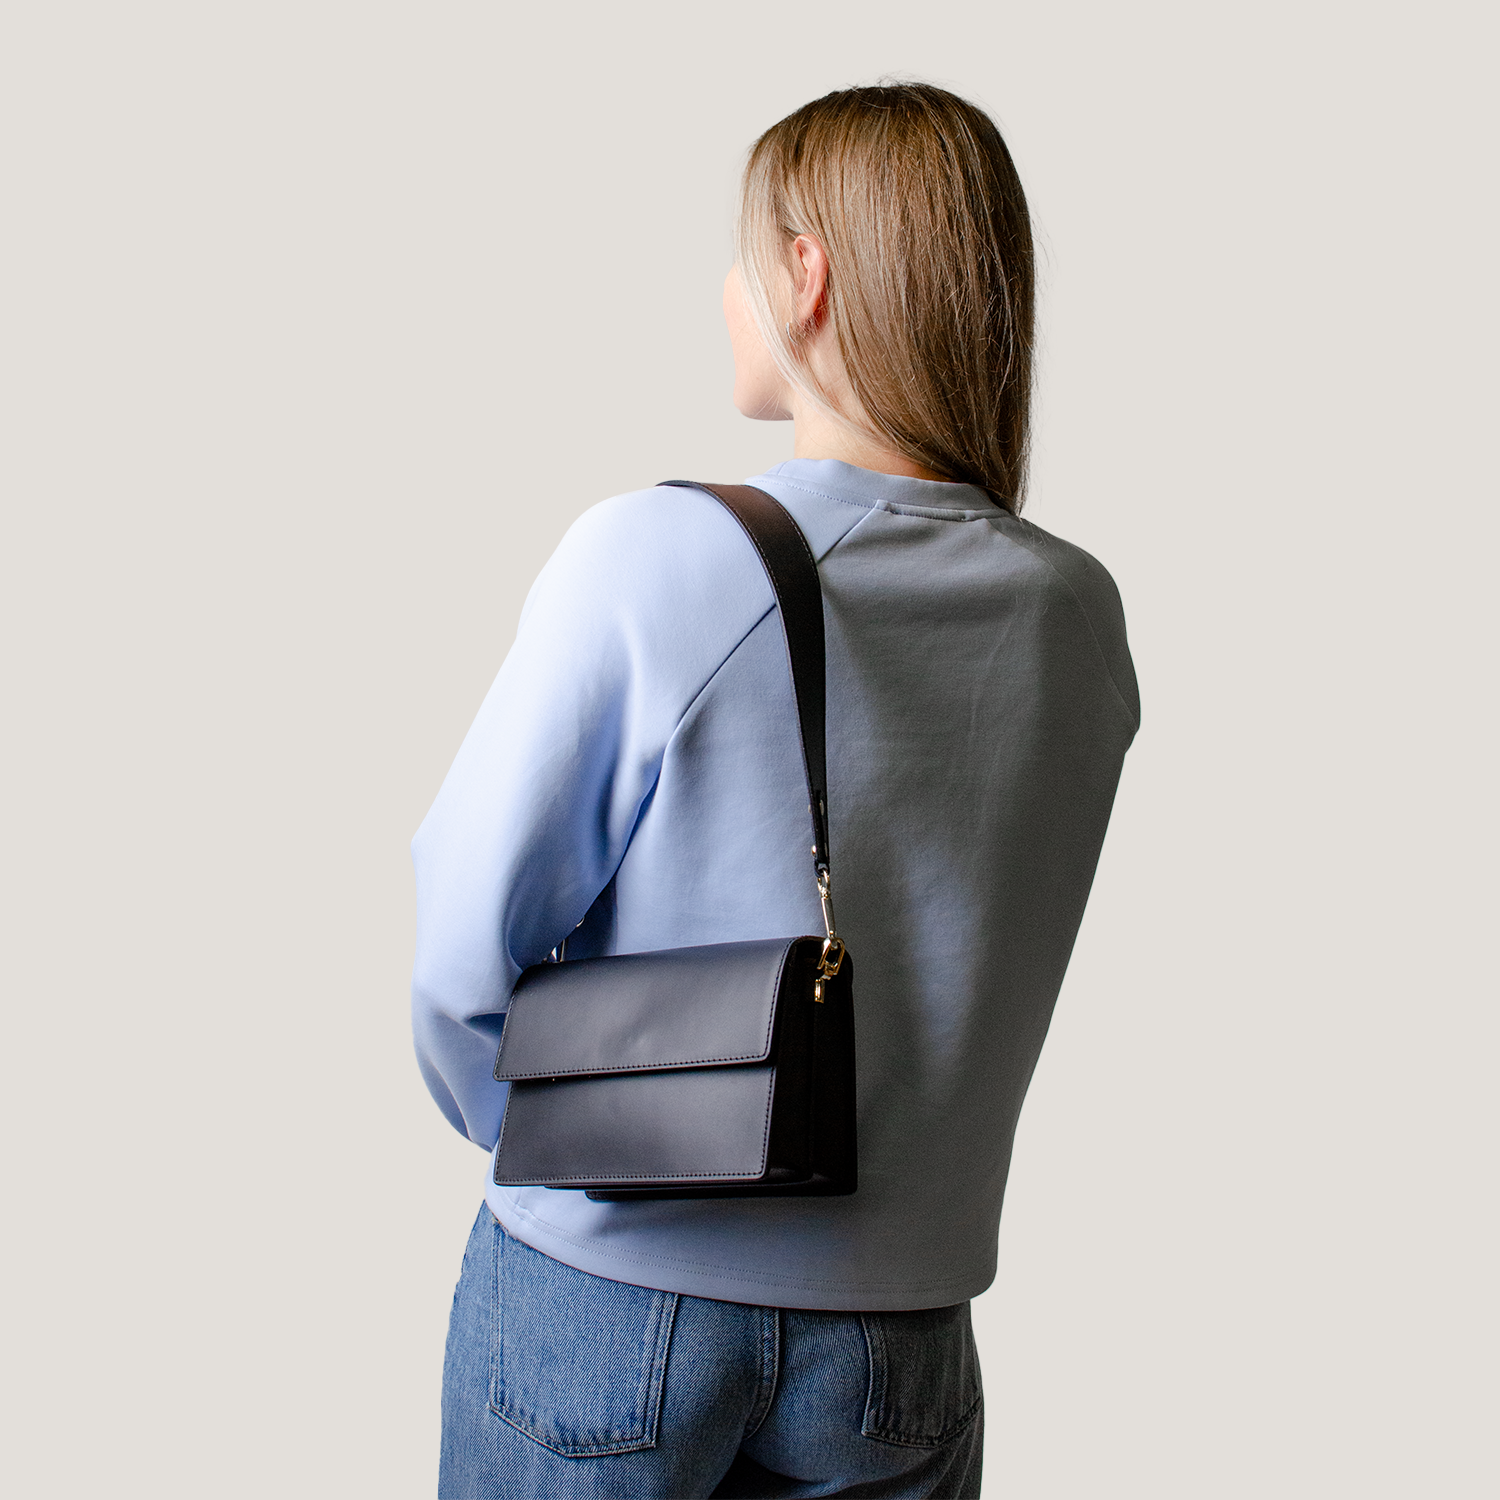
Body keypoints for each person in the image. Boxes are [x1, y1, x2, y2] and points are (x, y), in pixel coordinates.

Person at [412, 82, 1138, 1500]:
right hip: (902, 1336)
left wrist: (564, 1142)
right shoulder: (1075, 614)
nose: (727, 288)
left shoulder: (660, 558)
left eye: (744, 252)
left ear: (806, 274)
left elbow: (459, 950)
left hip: (612, 1301)